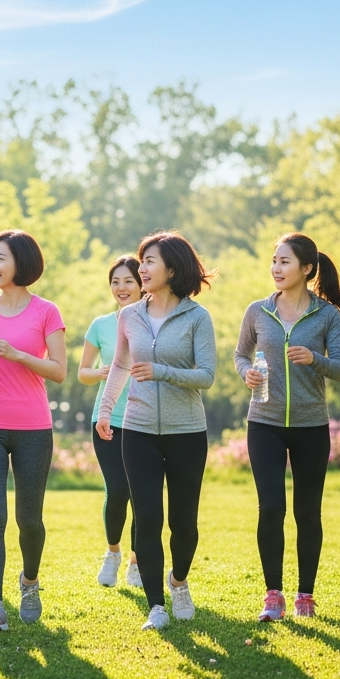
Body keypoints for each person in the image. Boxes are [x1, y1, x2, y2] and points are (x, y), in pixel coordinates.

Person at [96, 231, 216, 631]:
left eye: (149, 262)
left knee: (184, 523)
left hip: (187, 431)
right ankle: (156, 605)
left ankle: (178, 581)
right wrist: (105, 409)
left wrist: (162, 371)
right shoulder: (129, 316)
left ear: (173, 268)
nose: (141, 268)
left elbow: (207, 376)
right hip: (139, 429)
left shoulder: (197, 317)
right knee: (146, 517)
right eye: (141, 260)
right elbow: (119, 365)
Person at [234, 233, 340, 622]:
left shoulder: (326, 315)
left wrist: (314, 358)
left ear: (306, 269)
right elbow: (240, 355)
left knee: (307, 511)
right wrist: (247, 372)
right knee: (270, 507)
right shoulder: (258, 311)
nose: (276, 268)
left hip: (310, 425)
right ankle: (273, 596)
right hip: (264, 422)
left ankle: (305, 595)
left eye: (284, 262)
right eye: (274, 260)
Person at [0, 230, 68, 632]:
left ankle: (29, 582)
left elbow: (58, 371)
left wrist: (19, 354)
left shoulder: (46, 311)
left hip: (32, 428)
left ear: (21, 262)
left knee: (29, 518)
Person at [79, 255, 144, 589]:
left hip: (144, 419)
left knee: (139, 492)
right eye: (116, 282)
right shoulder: (101, 325)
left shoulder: (151, 322)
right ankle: (113, 553)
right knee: (117, 489)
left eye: (128, 281)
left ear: (142, 283)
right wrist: (101, 372)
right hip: (107, 418)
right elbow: (82, 372)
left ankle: (136, 562)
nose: (121, 288)